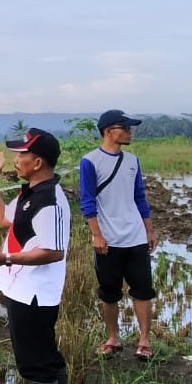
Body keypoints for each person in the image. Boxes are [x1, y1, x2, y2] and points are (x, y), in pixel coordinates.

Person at [0, 129, 70, 384]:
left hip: (35, 296)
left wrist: (5, 259)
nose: (17, 161)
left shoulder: (51, 201)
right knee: (44, 357)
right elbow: (2, 219)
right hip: (20, 290)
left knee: (36, 365)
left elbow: (53, 251)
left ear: (38, 161)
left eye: (22, 156)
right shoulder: (29, 192)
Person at [81, 110, 156, 361]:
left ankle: (144, 340)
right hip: (108, 240)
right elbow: (88, 201)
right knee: (109, 291)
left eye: (129, 127)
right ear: (108, 131)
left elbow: (140, 197)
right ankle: (113, 337)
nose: (129, 131)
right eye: (124, 127)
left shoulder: (133, 161)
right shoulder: (90, 161)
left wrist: (149, 230)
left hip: (135, 237)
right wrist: (97, 235)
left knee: (143, 290)